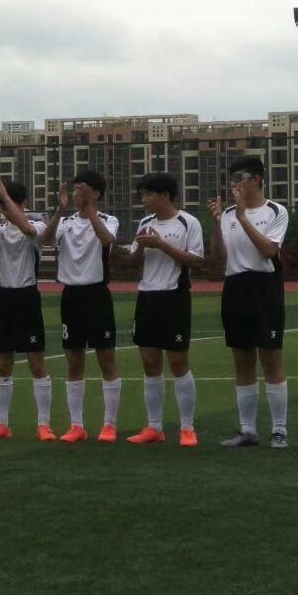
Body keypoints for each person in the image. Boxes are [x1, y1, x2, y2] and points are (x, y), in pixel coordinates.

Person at [114, 173, 206, 446]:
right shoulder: (145, 224)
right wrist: (137, 249)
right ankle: (154, 427)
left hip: (174, 297)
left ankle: (187, 428)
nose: (143, 200)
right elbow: (132, 262)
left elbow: (197, 261)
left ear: (165, 195)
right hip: (147, 297)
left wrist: (161, 245)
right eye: (142, 194)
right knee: (150, 362)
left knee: (178, 363)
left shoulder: (188, 222)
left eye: (148, 194)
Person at [209, 156, 291, 448]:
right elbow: (218, 256)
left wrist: (243, 217)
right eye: (232, 179)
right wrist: (217, 223)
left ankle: (279, 429)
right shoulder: (228, 213)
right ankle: (247, 430)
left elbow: (269, 250)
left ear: (256, 179)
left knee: (270, 356)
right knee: (242, 358)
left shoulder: (275, 211)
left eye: (239, 178)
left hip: (264, 286)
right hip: (235, 286)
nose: (234, 184)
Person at [42, 170, 122, 443]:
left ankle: (109, 424)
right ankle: (77, 425)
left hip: (97, 294)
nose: (77, 194)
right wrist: (59, 210)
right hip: (71, 296)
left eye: (82, 189)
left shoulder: (109, 220)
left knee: (106, 358)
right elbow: (46, 239)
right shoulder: (66, 222)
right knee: (74, 360)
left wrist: (90, 210)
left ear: (96, 194)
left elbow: (107, 240)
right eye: (75, 189)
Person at [0, 175, 54, 441]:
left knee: (36, 363)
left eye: (6, 202)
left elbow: (29, 231)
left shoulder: (37, 224)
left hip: (27, 296)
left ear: (21, 203)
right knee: (3, 364)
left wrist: (5, 197)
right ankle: (1, 424)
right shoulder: (0, 230)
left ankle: (44, 424)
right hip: (4, 298)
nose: (4, 209)